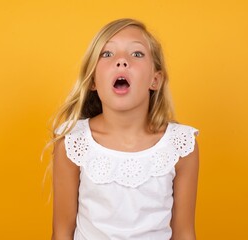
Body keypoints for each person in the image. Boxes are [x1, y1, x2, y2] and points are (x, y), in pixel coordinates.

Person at [50, 18, 199, 240]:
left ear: (154, 79)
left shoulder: (180, 145)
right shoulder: (73, 142)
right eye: (107, 54)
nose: (121, 61)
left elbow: (184, 233)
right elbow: (62, 232)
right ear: (93, 80)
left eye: (137, 54)